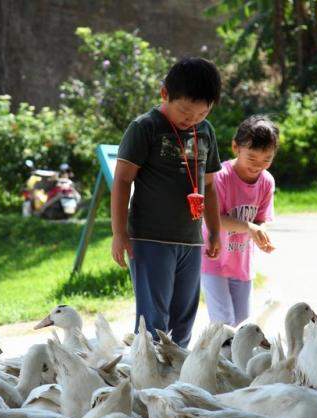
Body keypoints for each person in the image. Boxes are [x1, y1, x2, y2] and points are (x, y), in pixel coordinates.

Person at [111, 57, 222, 347]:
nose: (191, 120)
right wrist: (119, 233)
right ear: (164, 94)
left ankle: (176, 381)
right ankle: (148, 382)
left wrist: (215, 231)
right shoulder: (145, 127)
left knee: (184, 317)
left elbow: (209, 186)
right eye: (185, 111)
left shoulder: (206, 131)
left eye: (201, 113)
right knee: (153, 321)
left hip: (191, 240)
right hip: (150, 239)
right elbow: (122, 181)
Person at [201, 115, 277, 326]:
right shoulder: (221, 176)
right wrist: (248, 226)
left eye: (267, 160)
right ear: (236, 147)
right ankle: (218, 359)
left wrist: (260, 234)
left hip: (242, 264)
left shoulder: (267, 182)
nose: (258, 166)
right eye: (252, 158)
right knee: (223, 323)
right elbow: (212, 218)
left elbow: (261, 219)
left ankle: (234, 360)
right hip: (213, 260)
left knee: (243, 325)